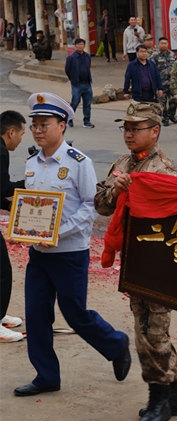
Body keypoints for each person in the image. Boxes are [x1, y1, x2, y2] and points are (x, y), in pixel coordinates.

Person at [12, 93, 132, 397]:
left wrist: (57, 233)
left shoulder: (78, 163)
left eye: (45, 124)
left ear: (62, 125)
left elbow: (90, 207)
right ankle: (46, 375)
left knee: (75, 313)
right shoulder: (31, 164)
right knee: (37, 315)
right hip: (39, 254)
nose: (38, 130)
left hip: (69, 254)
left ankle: (116, 344)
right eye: (34, 125)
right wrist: (23, 229)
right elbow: (32, 207)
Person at [93, 101, 177, 421]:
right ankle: (175, 391)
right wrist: (116, 192)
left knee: (151, 332)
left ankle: (158, 399)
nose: (129, 133)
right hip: (134, 262)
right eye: (126, 128)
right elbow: (100, 204)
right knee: (148, 327)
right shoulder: (123, 163)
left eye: (136, 128)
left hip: (157, 265)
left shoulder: (163, 170)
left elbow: (174, 220)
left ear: (155, 131)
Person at [0, 110, 26, 342]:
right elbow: (4, 189)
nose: (20, 140)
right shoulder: (0, 150)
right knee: (3, 271)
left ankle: (0, 315)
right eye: (21, 134)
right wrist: (29, 184)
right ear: (10, 132)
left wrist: (11, 209)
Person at [65, 38, 95, 129]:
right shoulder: (71, 57)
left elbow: (88, 67)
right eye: (78, 44)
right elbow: (67, 70)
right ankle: (69, 118)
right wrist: (73, 79)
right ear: (75, 46)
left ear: (84, 46)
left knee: (87, 103)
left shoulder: (87, 56)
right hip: (76, 84)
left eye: (82, 44)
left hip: (87, 83)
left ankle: (87, 121)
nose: (80, 46)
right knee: (75, 102)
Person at [150, 37, 177, 127]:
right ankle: (165, 118)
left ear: (168, 44)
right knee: (162, 103)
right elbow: (151, 70)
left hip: (172, 84)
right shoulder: (155, 55)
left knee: (174, 101)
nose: (163, 45)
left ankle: (171, 115)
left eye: (165, 43)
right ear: (159, 44)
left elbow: (176, 68)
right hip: (161, 84)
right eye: (162, 43)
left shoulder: (172, 55)